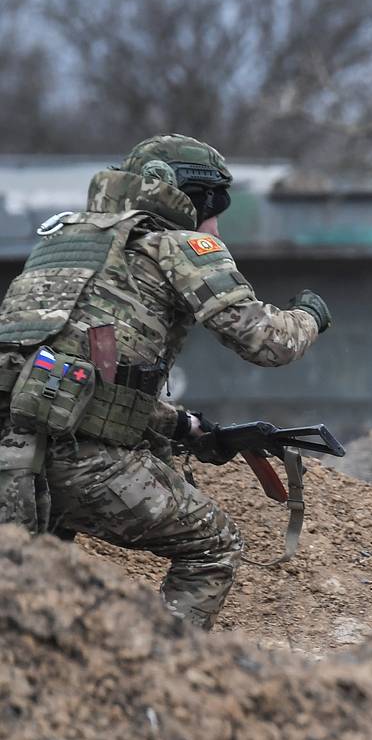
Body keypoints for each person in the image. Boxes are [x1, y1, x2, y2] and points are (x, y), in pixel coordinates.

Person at [0, 134, 331, 629]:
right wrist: (309, 316)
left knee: (27, 600)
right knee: (215, 547)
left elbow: (78, 378)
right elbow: (268, 342)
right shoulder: (179, 245)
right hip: (81, 465)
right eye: (213, 204)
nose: (217, 221)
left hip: (15, 459)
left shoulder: (63, 241)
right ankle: (160, 676)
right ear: (184, 198)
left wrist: (184, 428)